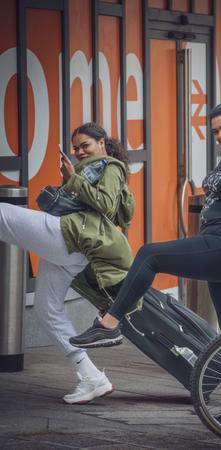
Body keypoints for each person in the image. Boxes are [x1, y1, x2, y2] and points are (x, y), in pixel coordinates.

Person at [70, 102, 221, 424]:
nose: (220, 135)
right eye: (216, 131)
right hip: (220, 246)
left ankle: (109, 324)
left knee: (150, 254)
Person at [0, 122, 134, 404]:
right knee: (47, 309)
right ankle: (91, 377)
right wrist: (69, 179)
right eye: (75, 148)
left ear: (102, 143)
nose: (80, 152)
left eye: (85, 145)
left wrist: (72, 178)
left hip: (70, 237)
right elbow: (80, 202)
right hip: (73, 247)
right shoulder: (88, 170)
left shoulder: (111, 166)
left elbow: (107, 205)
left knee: (2, 213)